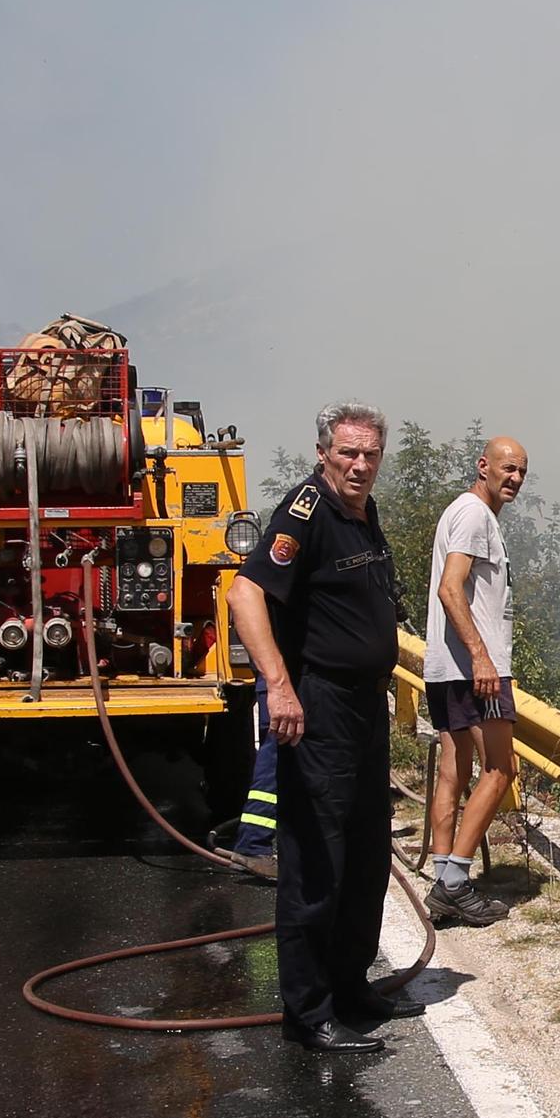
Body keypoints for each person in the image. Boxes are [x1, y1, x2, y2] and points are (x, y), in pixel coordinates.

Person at [224, 404, 414, 1054]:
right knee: (316, 863)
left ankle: (350, 985)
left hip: (364, 708)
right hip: (320, 705)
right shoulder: (305, 511)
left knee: (365, 855)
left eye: (369, 455)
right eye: (348, 453)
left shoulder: (361, 510)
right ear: (323, 452)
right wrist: (278, 685)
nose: (359, 465)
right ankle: (309, 1012)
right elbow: (245, 594)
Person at [419, 435, 528, 924]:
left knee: (455, 767)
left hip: (447, 666)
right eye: (508, 468)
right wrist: (482, 657)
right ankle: (456, 882)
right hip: (473, 669)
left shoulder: (460, 513)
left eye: (522, 472)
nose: (515, 479)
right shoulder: (474, 515)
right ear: (483, 466)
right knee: (500, 770)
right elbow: (450, 588)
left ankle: (444, 875)